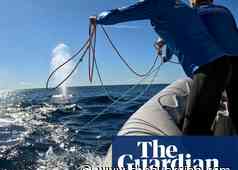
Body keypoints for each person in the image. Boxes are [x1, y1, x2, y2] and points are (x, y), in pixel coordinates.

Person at [90, 0, 226, 135]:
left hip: (208, 70)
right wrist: (166, 55)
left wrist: (98, 18)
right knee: (195, 124)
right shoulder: (179, 5)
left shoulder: (157, 3)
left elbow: (120, 14)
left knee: (194, 132)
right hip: (217, 66)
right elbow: (180, 35)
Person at [179, 0, 238, 134]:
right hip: (236, 62)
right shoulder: (225, 11)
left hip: (216, 65)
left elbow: (182, 33)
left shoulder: (192, 14)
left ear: (193, 2)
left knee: (194, 127)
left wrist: (162, 42)